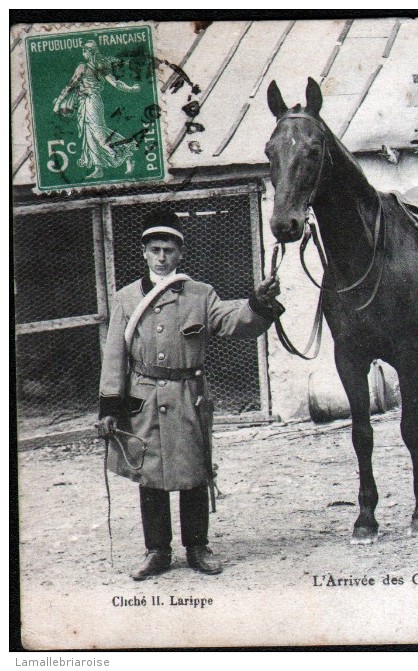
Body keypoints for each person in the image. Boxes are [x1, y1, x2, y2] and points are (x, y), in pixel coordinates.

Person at [97, 210, 283, 580]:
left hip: (187, 395)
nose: (162, 257)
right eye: (155, 249)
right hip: (143, 396)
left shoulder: (200, 295)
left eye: (169, 249)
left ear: (181, 253)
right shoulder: (125, 299)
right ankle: (157, 551)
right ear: (144, 253)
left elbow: (232, 321)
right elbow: (115, 355)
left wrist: (258, 303)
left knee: (193, 471)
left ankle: (197, 546)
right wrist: (109, 406)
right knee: (149, 474)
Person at [52, 40, 139, 179]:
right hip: (83, 103)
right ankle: (98, 168)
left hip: (92, 102)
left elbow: (69, 86)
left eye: (84, 51)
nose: (83, 53)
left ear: (89, 52)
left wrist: (131, 89)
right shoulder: (90, 67)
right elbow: (71, 85)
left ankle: (123, 154)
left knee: (98, 131)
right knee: (89, 135)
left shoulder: (93, 67)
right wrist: (131, 88)